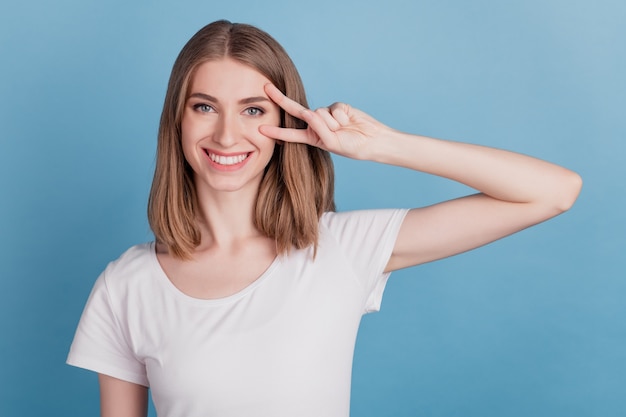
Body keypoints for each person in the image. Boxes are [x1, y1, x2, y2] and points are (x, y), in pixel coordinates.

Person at [67, 19, 582, 417]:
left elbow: (554, 192)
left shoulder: (339, 248)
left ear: (285, 122)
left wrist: (384, 145)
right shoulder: (126, 286)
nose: (226, 136)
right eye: (204, 107)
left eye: (252, 110)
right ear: (176, 121)